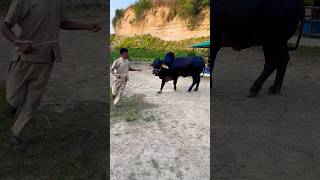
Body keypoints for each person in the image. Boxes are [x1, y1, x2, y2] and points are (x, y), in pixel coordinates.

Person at [1, 0, 101, 145]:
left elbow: (63, 22)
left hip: (47, 58)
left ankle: (15, 132)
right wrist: (18, 42)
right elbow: (5, 28)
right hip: (23, 58)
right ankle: (12, 104)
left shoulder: (56, 2)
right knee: (14, 98)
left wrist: (87, 26)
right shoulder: (22, 1)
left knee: (33, 101)